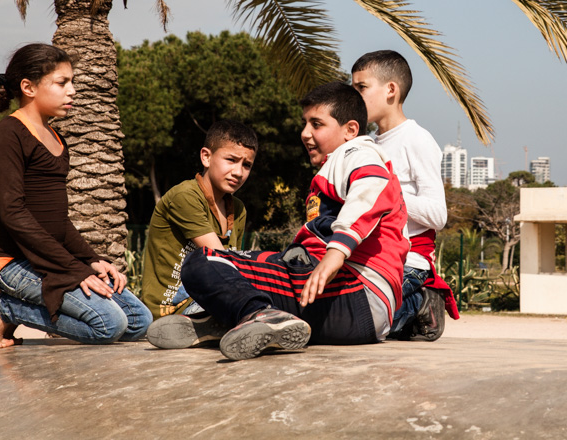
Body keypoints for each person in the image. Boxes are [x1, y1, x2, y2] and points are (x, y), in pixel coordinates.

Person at [146, 81, 409, 360]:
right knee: (241, 263)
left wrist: (335, 254)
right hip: (346, 303)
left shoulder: (356, 152)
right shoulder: (339, 164)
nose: (305, 133)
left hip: (354, 293)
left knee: (203, 261)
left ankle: (256, 315)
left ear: (350, 130)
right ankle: (238, 318)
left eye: (316, 124)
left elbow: (372, 185)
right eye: (305, 123)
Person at [0, 43, 151, 349]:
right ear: (28, 87)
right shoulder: (10, 132)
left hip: (48, 258)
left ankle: (14, 305)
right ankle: (5, 307)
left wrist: (92, 260)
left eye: (72, 82)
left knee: (139, 321)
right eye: (62, 83)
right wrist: (74, 270)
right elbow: (13, 214)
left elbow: (58, 222)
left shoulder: (57, 138)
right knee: (110, 325)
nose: (72, 91)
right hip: (11, 263)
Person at [352, 50, 459, 340]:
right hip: (371, 257)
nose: (354, 97)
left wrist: (387, 193)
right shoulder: (368, 144)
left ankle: (423, 301)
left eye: (362, 88)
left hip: (409, 261)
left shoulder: (416, 139)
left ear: (391, 90)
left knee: (362, 322)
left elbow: (437, 214)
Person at [141, 120, 257, 321]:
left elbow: (235, 265)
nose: (238, 172)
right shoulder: (185, 196)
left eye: (246, 165)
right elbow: (221, 262)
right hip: (172, 310)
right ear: (206, 157)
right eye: (231, 160)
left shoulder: (237, 209)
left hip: (211, 297)